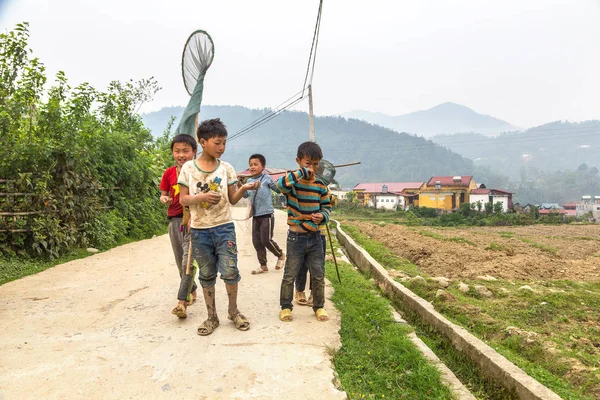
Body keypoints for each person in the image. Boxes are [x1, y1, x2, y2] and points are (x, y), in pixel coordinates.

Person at [178, 118, 259, 335]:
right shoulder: (188, 168)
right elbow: (183, 200)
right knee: (206, 274)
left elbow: (232, 198)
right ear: (203, 142)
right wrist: (202, 196)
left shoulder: (227, 169)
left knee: (231, 270)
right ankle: (211, 316)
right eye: (217, 143)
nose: (222, 147)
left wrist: (245, 188)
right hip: (199, 230)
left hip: (224, 228)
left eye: (224, 143)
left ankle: (233, 311)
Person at [277, 141, 331, 322]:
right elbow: (280, 186)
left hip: (315, 237)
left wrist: (322, 216)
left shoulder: (320, 186)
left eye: (316, 164)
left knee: (318, 274)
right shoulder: (293, 182)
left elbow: (326, 207)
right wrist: (300, 173)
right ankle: (285, 307)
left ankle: (319, 306)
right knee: (290, 273)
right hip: (296, 237)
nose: (312, 168)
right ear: (298, 161)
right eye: (308, 163)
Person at [159, 134, 198, 319]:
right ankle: (192, 288)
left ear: (194, 152)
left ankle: (182, 302)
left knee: (187, 261)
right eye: (177, 151)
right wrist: (164, 199)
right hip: (174, 220)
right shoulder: (169, 173)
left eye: (185, 151)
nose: (181, 155)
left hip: (194, 220)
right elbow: (163, 194)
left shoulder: (198, 172)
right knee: (179, 260)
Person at [243, 154, 286, 275]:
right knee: (256, 241)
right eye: (250, 165)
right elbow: (245, 195)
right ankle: (263, 265)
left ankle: (281, 255)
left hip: (267, 214)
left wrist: (284, 180)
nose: (252, 167)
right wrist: (240, 185)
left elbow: (278, 190)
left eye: (255, 164)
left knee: (266, 240)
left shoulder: (267, 178)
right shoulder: (249, 181)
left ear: (263, 167)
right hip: (256, 215)